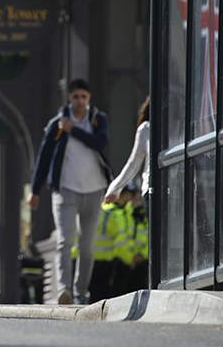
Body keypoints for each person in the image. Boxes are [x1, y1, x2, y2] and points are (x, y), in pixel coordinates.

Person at [28, 79, 113, 305]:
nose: (80, 101)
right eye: (76, 97)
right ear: (69, 98)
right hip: (65, 190)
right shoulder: (57, 124)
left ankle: (80, 293)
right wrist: (34, 190)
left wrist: (73, 130)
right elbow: (44, 157)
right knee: (65, 241)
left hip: (94, 190)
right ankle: (64, 290)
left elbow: (100, 143)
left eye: (84, 97)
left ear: (89, 98)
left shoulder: (97, 120)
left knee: (86, 247)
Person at [87, 182, 136, 303]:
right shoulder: (117, 214)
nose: (129, 199)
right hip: (107, 261)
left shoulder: (102, 209)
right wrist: (130, 260)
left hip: (91, 259)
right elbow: (120, 244)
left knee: (93, 296)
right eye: (127, 195)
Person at [105, 97, 150, 206]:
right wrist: (115, 188)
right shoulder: (146, 129)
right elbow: (133, 164)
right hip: (152, 190)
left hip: (180, 189)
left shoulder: (182, 127)